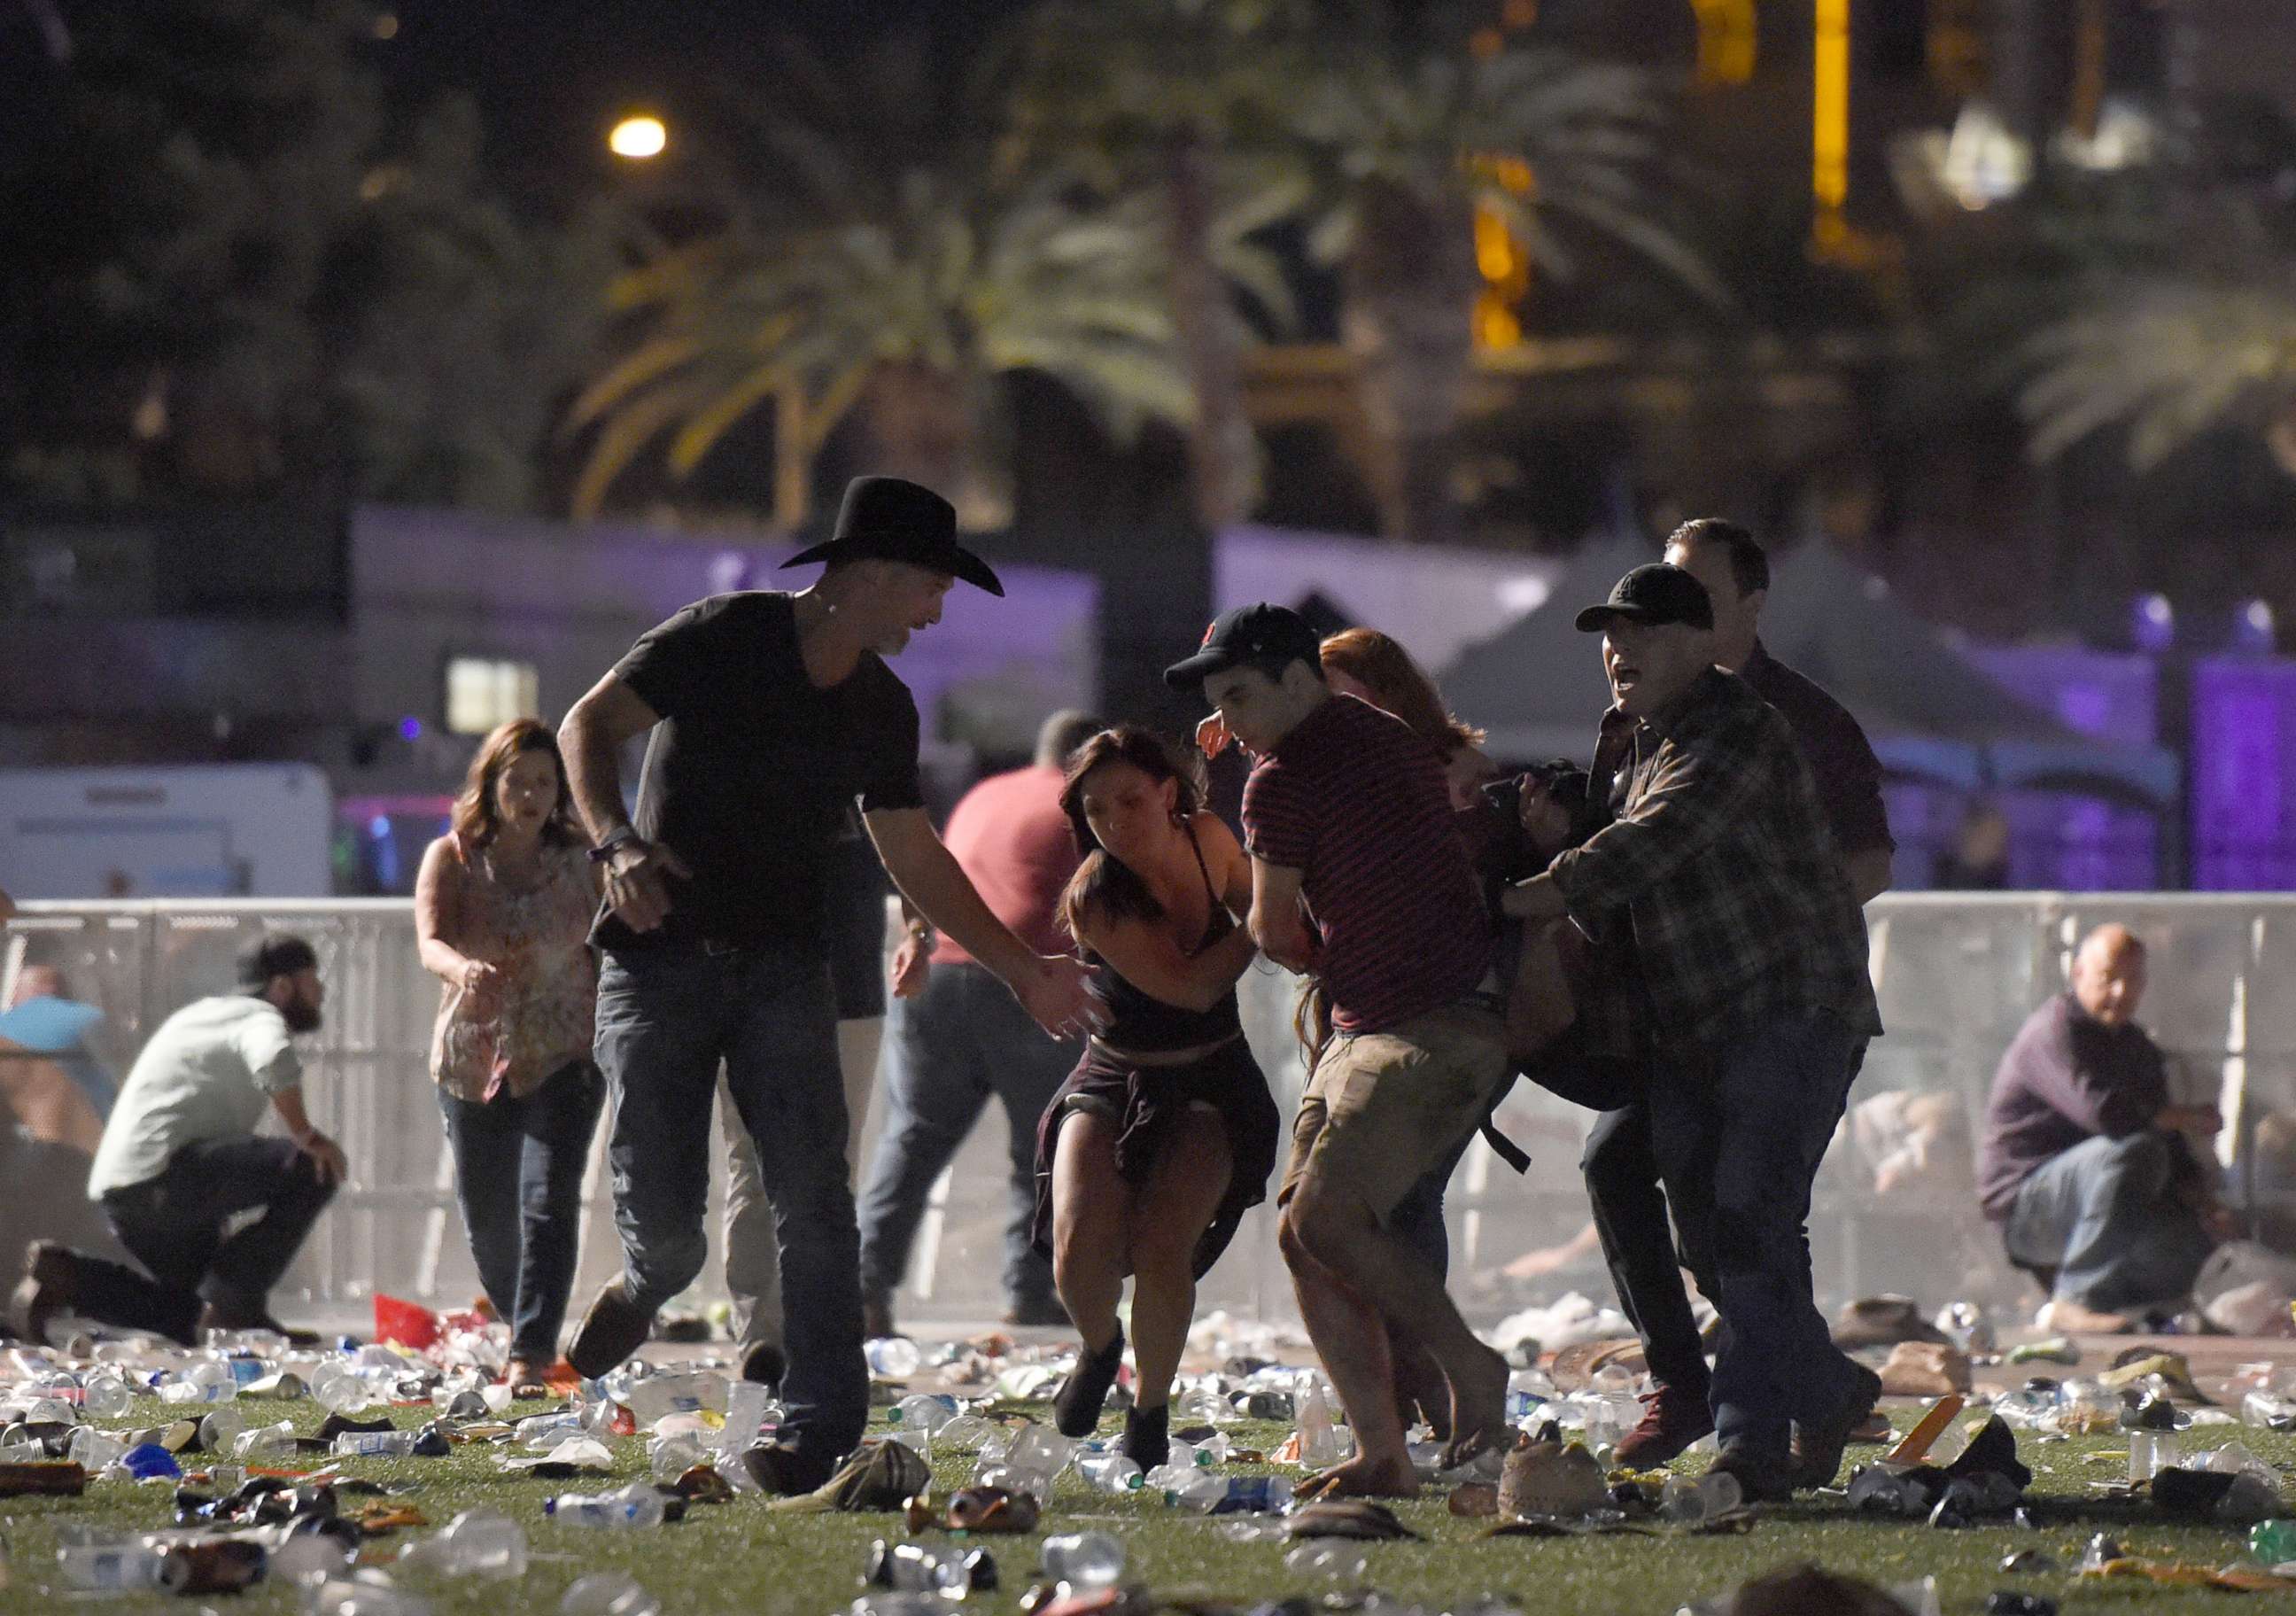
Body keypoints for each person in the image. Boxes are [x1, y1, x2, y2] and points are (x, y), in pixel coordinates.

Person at [556, 475, 1099, 1497]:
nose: (936, 613)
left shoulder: (880, 705)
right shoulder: (720, 635)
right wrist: (616, 845)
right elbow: (587, 726)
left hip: (785, 967)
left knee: (816, 1197)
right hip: (659, 959)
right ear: (874, 574)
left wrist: (1022, 965)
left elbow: (914, 850)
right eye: (930, 589)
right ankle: (643, 1283)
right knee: (671, 1235)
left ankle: (818, 1427)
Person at [1503, 563, 1884, 1501]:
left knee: (1748, 1220)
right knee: (1713, 1241)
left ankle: (1748, 1450)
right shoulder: (1638, 741)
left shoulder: (1739, 732)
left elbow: (1648, 847)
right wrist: (1563, 833)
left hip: (1787, 1010)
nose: (1618, 652)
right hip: (1691, 1027)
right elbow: (1624, 855)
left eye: (1640, 633)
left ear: (1702, 643)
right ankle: (1827, 1390)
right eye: (1609, 636)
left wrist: (1510, 899)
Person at [1176, 603, 1511, 1499]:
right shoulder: (1383, 730)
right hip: (1435, 1016)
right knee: (1303, 1233)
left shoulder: (1276, 782)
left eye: (1242, 697)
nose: (1233, 722)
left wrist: (1312, 948)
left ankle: (1466, 1372)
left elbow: (1275, 928)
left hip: (1413, 1024)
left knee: (1323, 1222)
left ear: (1300, 679)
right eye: (1221, 704)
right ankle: (1384, 1453)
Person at [1034, 727, 1280, 1466]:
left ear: (1169, 794)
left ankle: (1150, 1411)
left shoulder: (1207, 837)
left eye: (1131, 801)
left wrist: (1282, 907)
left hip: (1212, 1073)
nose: (1114, 822)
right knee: (1080, 1246)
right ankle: (1101, 1346)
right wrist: (1268, 916)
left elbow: (1255, 895)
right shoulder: (1096, 895)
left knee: (1162, 1244)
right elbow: (1193, 982)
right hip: (1116, 1071)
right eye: (1097, 808)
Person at [854, 709, 1105, 1340]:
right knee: (1044, 1146)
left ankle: (863, 1290)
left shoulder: (987, 794)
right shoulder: (1083, 806)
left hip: (939, 973)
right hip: (1026, 976)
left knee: (913, 1140)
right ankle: (1030, 1292)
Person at [11, 936, 346, 1347]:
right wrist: (307, 1136)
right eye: (312, 981)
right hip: (163, 1177)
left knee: (189, 1317)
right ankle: (237, 1303)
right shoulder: (258, 1017)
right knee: (312, 1167)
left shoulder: (202, 1015)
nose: (321, 992)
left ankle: (69, 1278)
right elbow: (273, 1057)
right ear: (282, 987)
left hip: (124, 1193)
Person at [415, 719, 605, 1393]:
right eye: (516, 781)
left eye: (544, 783)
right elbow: (429, 940)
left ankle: (530, 1351)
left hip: (565, 1050)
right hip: (475, 1056)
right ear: (490, 786)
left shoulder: (583, 864)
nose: (530, 795)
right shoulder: (454, 858)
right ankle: (517, 1314)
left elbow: (610, 946)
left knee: (548, 1200)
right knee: (491, 1220)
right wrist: (463, 970)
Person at [717, 812, 892, 1387]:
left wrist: (917, 927)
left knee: (818, 1170)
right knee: (768, 1164)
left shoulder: (860, 760)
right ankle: (771, 1336)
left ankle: (792, 1332)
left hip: (842, 990)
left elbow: (909, 847)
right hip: (762, 989)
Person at [1976, 923, 2222, 1332]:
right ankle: (2075, 1299)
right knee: (2134, 1151)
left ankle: (2117, 1305)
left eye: (2132, 980)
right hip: (2030, 1208)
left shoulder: (2136, 1046)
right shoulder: (2055, 1031)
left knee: (2193, 1243)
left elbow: (2169, 1145)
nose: (2121, 993)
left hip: (2096, 1199)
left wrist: (2206, 1203)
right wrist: (2184, 1116)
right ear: (2078, 975)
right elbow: (2106, 1116)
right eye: (2109, 978)